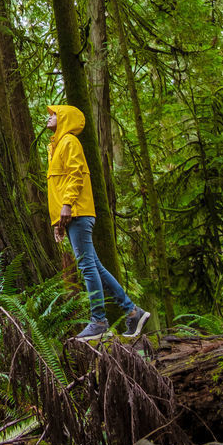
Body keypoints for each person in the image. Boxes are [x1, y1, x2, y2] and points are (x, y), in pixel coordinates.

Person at [46, 104, 150, 340]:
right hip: (72, 214)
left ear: (64, 118)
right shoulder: (57, 146)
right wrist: (58, 222)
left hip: (78, 212)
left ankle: (99, 320)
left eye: (54, 114)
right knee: (96, 267)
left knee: (86, 267)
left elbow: (75, 175)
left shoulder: (70, 142)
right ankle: (132, 312)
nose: (49, 117)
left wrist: (67, 206)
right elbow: (58, 186)